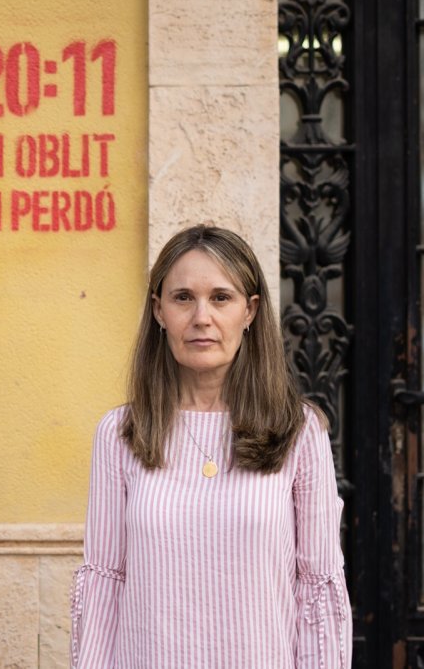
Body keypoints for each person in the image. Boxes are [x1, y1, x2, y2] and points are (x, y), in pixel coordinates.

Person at [70, 225, 351, 668]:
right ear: (159, 311)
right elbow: (106, 583)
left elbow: (316, 586)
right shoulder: (121, 432)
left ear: (250, 311)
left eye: (221, 297)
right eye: (183, 297)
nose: (202, 317)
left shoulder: (298, 431)